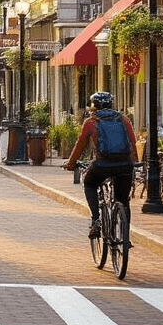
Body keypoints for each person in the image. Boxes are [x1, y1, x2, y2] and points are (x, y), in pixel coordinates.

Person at [63, 91, 137, 239]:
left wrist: (71, 164)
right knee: (123, 200)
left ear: (93, 107)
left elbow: (80, 144)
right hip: (124, 165)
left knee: (89, 183)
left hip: (102, 164)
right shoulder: (124, 119)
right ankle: (125, 237)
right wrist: (134, 162)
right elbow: (132, 142)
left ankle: (96, 220)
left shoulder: (91, 121)